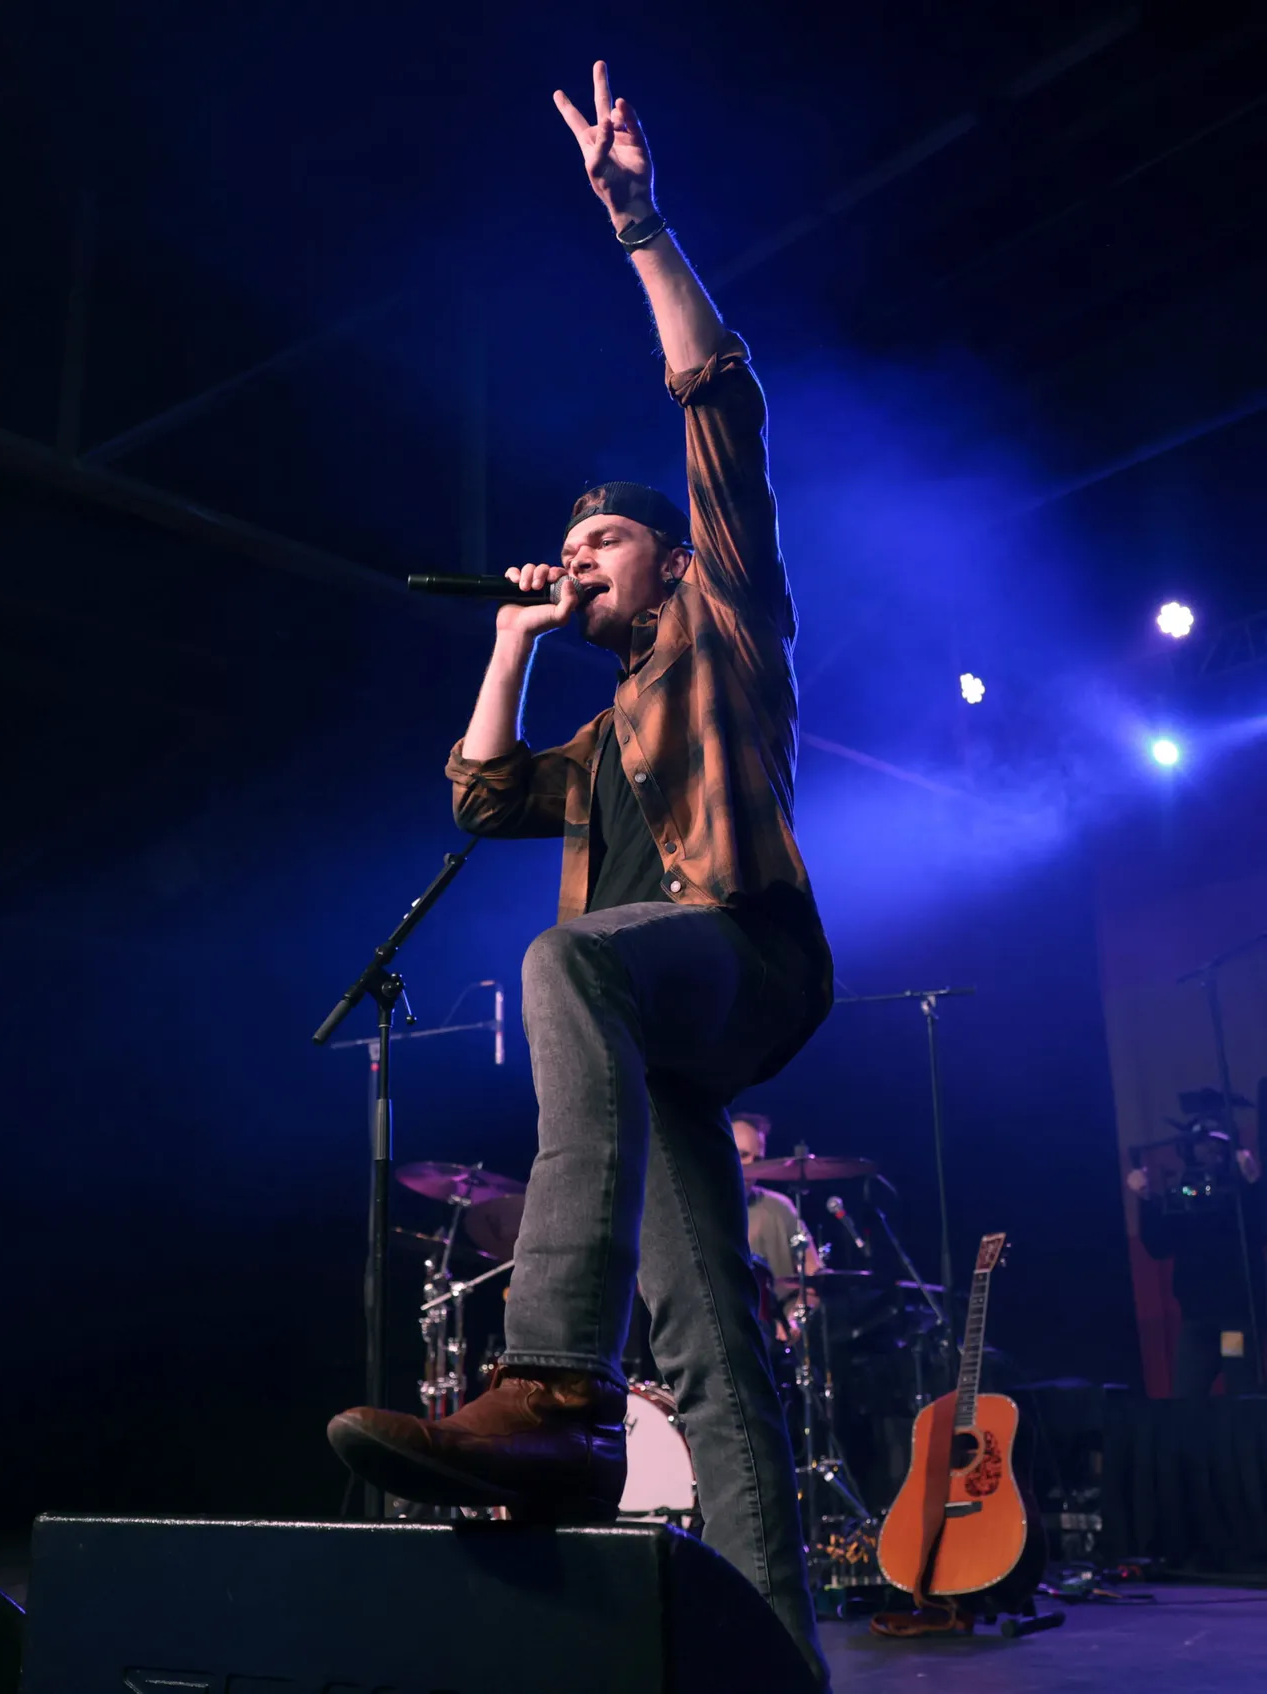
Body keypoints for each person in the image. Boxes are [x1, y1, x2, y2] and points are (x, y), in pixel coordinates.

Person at [329, 61, 833, 1683]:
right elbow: (485, 797)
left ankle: (550, 1383)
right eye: (574, 542)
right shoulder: (606, 731)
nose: (581, 553)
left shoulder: (723, 628)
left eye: (601, 540)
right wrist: (510, 638)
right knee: (712, 1350)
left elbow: (719, 407)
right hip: (656, 1030)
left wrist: (641, 225)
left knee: (564, 965)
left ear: (669, 558)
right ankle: (774, 1662)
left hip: (737, 960)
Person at [1128, 1125, 1264, 1397]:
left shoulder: (1237, 1194)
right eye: (1203, 1145)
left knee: (1241, 1390)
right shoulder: (1185, 1195)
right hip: (1196, 1318)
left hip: (1233, 1320)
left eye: (1217, 1146)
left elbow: (1258, 1230)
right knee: (1187, 1395)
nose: (1209, 1152)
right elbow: (1159, 1246)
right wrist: (1146, 1201)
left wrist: (1253, 1184)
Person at [732, 1111, 823, 1338]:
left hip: (776, 1336)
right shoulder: (696, 1210)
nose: (752, 1167)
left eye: (758, 1160)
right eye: (742, 1156)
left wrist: (795, 1322)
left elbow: (815, 1278)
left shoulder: (780, 1208)